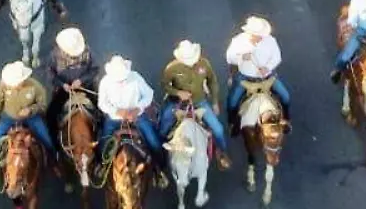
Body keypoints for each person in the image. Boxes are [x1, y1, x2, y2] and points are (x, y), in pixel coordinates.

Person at [97, 55, 169, 186]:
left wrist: (137, 109)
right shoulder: (105, 81)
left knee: (154, 141)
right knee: (103, 141)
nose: (120, 80)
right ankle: (102, 166)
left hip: (137, 116)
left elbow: (148, 94)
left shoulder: (135, 77)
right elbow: (102, 103)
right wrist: (117, 111)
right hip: (115, 118)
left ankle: (159, 170)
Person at [159, 40, 231, 169]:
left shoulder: (204, 64)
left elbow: (212, 81)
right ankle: (161, 159)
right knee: (163, 127)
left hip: (199, 102)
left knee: (218, 129)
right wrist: (178, 92)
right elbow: (164, 85)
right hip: (177, 103)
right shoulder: (171, 68)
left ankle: (222, 153)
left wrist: (214, 102)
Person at [0, 61, 57, 170]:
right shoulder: (4, 85)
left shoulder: (35, 86)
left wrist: (30, 110)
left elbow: (42, 105)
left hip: (31, 118)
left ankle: (53, 162)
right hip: (10, 118)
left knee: (47, 139)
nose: (13, 86)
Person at [225, 16, 291, 129]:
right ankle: (232, 123)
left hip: (267, 77)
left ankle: (285, 119)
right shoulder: (238, 41)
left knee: (286, 96)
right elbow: (229, 58)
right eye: (257, 35)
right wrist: (241, 58)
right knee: (232, 102)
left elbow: (277, 57)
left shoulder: (270, 41)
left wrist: (267, 67)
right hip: (245, 78)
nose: (260, 37)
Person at [45, 27, 98, 143]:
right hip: (63, 89)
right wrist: (62, 84)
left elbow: (95, 69)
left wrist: (81, 80)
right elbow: (50, 73)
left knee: (101, 114)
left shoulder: (87, 52)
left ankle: (100, 146)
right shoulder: (54, 55)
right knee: (50, 116)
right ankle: (55, 147)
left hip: (85, 87)